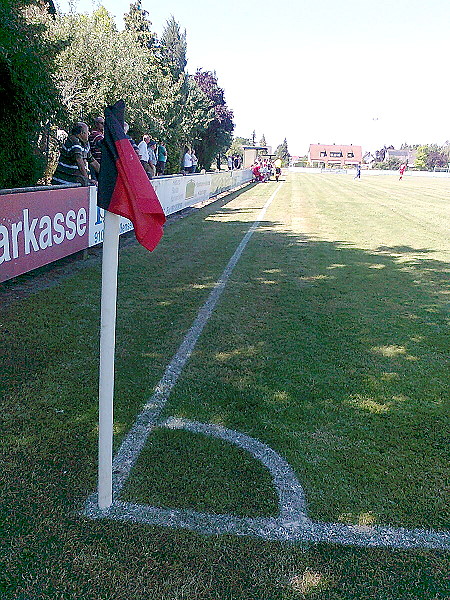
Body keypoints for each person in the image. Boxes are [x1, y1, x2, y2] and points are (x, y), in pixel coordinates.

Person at [51, 122, 99, 186]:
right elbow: (79, 162)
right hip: (62, 182)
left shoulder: (84, 144)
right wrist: (87, 180)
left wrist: (106, 175)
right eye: (87, 132)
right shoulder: (74, 142)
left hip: (72, 181)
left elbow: (93, 161)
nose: (89, 134)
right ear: (82, 133)